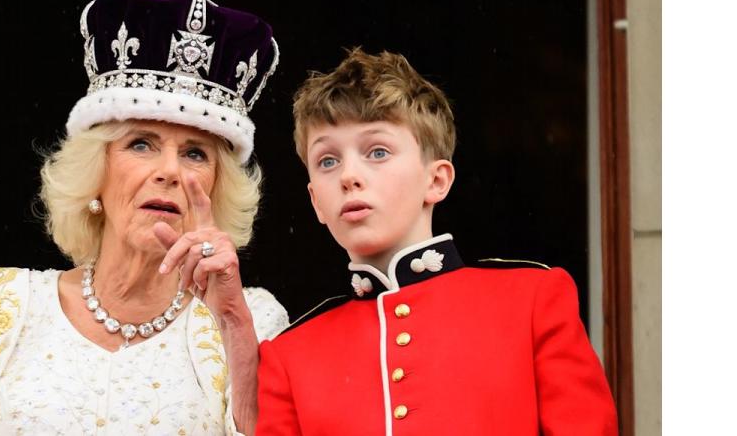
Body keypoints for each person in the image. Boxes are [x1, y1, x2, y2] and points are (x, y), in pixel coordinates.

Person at [0, 0, 288, 435]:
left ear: (219, 184)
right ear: (95, 171)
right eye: (141, 144)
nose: (169, 171)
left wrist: (232, 322)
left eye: (195, 153)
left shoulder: (251, 320)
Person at [255, 48, 617, 435]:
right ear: (316, 202)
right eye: (327, 160)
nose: (349, 175)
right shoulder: (290, 356)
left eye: (377, 151)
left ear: (437, 180)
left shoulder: (531, 301)